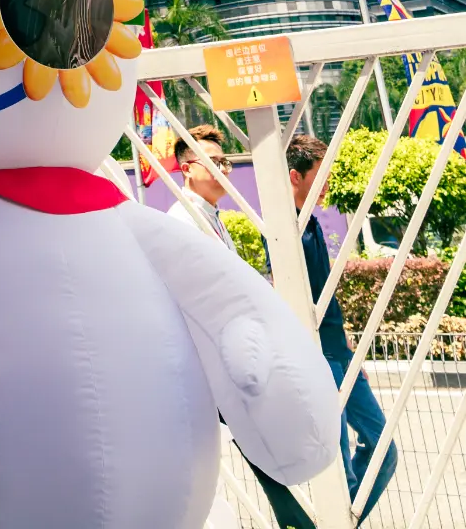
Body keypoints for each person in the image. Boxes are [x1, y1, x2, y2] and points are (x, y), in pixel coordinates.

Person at [169, 124, 318, 529]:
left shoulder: (213, 219)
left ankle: (295, 515)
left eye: (226, 163)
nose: (224, 171)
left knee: (252, 440)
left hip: (223, 359)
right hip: (204, 363)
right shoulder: (180, 222)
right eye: (214, 163)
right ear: (186, 168)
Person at [287, 134, 398, 523]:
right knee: (337, 467)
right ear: (294, 177)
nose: (327, 187)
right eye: (321, 177)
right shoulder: (285, 234)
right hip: (316, 356)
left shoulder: (312, 224)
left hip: (339, 354)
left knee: (383, 449)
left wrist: (349, 352)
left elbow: (324, 298)